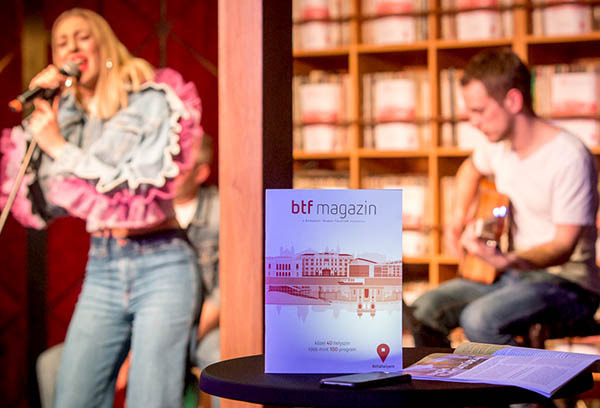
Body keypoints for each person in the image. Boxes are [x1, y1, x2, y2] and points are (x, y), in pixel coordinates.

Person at [1, 8, 203, 407]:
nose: (71, 48)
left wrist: (61, 147)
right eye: (61, 42)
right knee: (72, 397)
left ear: (104, 44)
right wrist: (48, 114)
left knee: (150, 400)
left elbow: (141, 183)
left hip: (162, 262)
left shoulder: (151, 99)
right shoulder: (68, 117)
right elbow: (46, 201)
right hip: (104, 265)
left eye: (82, 36)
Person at [407, 48, 600, 347]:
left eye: (479, 110)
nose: (472, 121)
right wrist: (456, 219)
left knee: (479, 319)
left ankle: (528, 379)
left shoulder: (569, 157)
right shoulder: (497, 145)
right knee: (423, 310)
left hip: (569, 284)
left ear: (513, 101)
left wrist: (507, 259)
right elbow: (470, 169)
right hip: (514, 274)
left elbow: (563, 246)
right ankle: (445, 378)